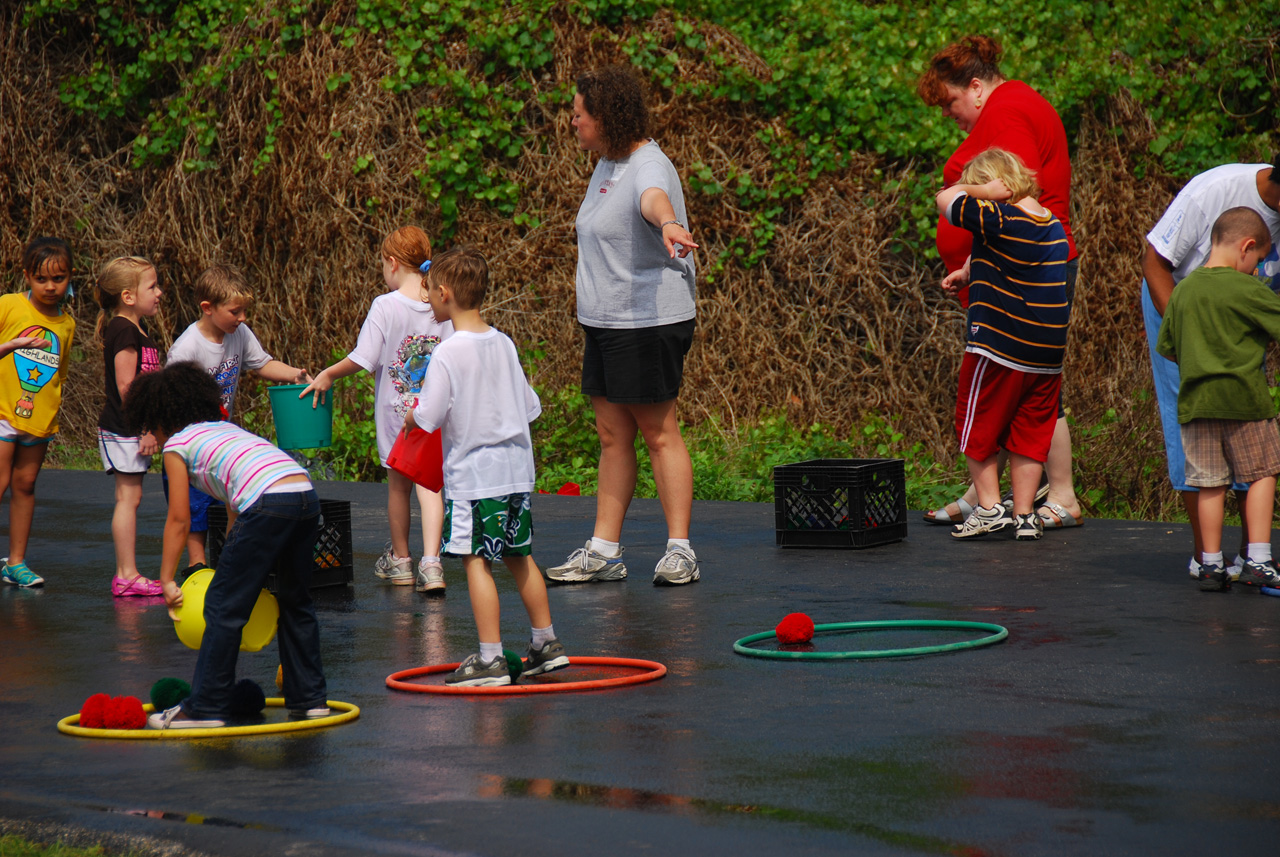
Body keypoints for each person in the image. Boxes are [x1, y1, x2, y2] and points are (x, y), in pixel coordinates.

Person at [917, 34, 1082, 530]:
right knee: (1023, 383)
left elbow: (1006, 194)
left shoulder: (1007, 110)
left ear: (975, 86)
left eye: (952, 104)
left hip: (1022, 276)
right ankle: (988, 494)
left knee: (1018, 383)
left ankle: (1036, 497)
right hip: (1014, 273)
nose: (953, 115)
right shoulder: (1013, 103)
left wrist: (963, 195)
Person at [546, 64, 702, 587]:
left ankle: (681, 551)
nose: (572, 122)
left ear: (605, 117)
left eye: (578, 115)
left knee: (659, 434)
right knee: (613, 435)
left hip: (647, 321)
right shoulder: (607, 164)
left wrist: (670, 223)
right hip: (605, 321)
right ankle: (604, 550)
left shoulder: (647, 165)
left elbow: (653, 199)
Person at [124, 362, 328, 728]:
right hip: (303, 494)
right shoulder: (226, 431)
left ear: (159, 417)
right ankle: (309, 699)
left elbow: (179, 519)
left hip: (268, 500)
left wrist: (168, 579)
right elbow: (236, 509)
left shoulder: (178, 445)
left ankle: (205, 707)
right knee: (295, 600)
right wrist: (233, 566)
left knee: (222, 605)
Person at [404, 246, 566, 686]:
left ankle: (491, 658)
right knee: (520, 557)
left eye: (429, 293)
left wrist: (409, 415)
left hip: (476, 479)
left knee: (476, 561)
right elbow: (529, 407)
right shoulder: (504, 342)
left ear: (445, 293)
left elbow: (428, 417)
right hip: (516, 471)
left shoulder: (448, 352)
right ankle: (545, 644)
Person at [1142, 158, 1280, 580]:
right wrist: (1198, 346)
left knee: (1209, 477)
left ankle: (1216, 563)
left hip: (1213, 342)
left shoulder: (1222, 284)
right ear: (1247, 249)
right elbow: (1154, 261)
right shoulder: (1214, 191)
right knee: (1257, 467)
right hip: (1184, 314)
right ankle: (1242, 555)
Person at [302, 226, 452, 592]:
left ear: (391, 262)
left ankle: (401, 560)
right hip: (432, 410)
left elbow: (364, 358)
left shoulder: (385, 305)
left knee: (399, 487)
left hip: (396, 414)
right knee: (432, 487)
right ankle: (432, 564)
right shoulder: (441, 302)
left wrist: (328, 374)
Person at [935, 149, 1070, 540]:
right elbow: (1019, 261)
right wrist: (968, 271)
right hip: (1045, 354)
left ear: (996, 186)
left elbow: (946, 197)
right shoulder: (1051, 223)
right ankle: (1025, 515)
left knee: (977, 421)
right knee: (1030, 430)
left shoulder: (1000, 216)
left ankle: (990, 506)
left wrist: (979, 190)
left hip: (999, 345)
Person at [167, 264, 309, 570]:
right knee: (195, 503)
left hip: (221, 436)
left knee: (229, 497)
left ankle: (230, 562)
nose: (242, 318)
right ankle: (196, 564)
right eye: (235, 311)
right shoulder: (187, 348)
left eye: (244, 310)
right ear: (208, 308)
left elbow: (262, 363)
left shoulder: (239, 333)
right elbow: (170, 397)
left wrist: (296, 375)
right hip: (191, 439)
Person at [0, 237, 76, 589]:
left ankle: (15, 563)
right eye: (41, 278)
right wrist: (12, 346)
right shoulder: (9, 306)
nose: (50, 286)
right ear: (27, 276)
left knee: (25, 485)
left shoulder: (67, 325)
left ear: (69, 277)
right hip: (3, 412)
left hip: (39, 418)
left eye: (58, 278)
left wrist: (50, 408)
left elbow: (59, 371)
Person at [95, 256, 165, 597]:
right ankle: (126, 575)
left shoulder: (136, 330)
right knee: (128, 498)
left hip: (131, 428)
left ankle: (128, 573)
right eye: (151, 286)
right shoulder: (123, 330)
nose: (159, 293)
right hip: (124, 428)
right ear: (128, 296)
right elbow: (126, 387)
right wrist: (144, 431)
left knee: (130, 497)